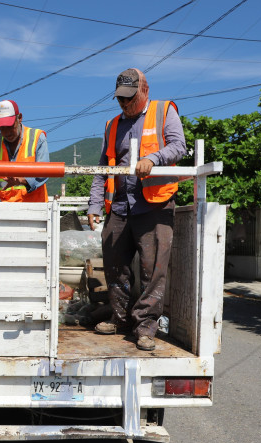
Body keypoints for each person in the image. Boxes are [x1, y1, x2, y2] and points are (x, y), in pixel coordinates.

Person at [87, 68, 187, 351]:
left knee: (152, 270)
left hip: (154, 204)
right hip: (120, 206)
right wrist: (95, 203)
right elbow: (102, 167)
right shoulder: (112, 124)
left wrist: (154, 158)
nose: (124, 104)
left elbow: (179, 146)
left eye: (129, 98)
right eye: (120, 99)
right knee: (115, 265)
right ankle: (119, 319)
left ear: (144, 90)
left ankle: (145, 327)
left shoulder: (163, 111)